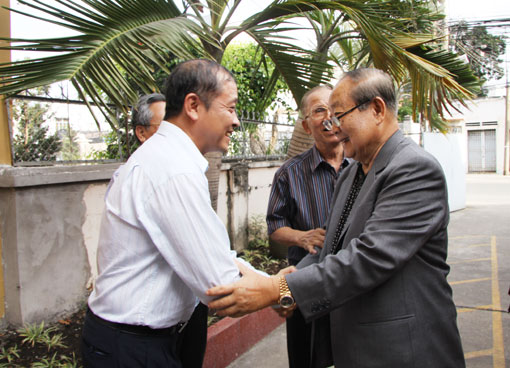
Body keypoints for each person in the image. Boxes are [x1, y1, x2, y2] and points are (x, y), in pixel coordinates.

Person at [208, 68, 466, 368]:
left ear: (377, 110)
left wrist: (276, 290)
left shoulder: (413, 169)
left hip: (406, 349)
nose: (334, 126)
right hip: (359, 348)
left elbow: (368, 258)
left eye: (340, 115)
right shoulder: (353, 173)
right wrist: (284, 281)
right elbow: (330, 248)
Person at [81, 59, 273, 368]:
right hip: (132, 348)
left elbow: (212, 254)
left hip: (151, 339)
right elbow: (220, 283)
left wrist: (267, 281)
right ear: (194, 106)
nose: (236, 121)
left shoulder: (170, 161)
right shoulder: (172, 170)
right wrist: (282, 288)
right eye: (231, 108)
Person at [266, 85, 350, 368]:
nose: (328, 117)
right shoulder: (289, 174)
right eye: (318, 111)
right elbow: (275, 226)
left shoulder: (363, 167)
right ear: (306, 125)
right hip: (305, 287)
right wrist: (302, 237)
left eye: (333, 109)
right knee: (306, 358)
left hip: (352, 284)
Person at [131, 92, 209, 368]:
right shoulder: (154, 177)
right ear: (142, 133)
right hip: (144, 334)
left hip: (188, 315)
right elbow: (213, 267)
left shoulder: (185, 173)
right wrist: (277, 289)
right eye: (164, 127)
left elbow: (206, 249)